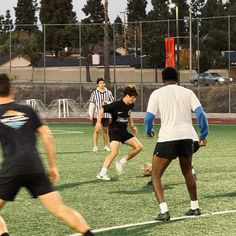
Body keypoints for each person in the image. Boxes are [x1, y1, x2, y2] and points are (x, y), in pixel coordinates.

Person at [0, 74, 94, 236]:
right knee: (60, 209)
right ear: (12, 91)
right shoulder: (28, 110)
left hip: (11, 168)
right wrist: (53, 166)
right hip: (35, 166)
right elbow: (48, 136)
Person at [144, 67, 208, 221]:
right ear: (177, 78)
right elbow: (201, 114)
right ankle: (195, 207)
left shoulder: (157, 94)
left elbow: (148, 118)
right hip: (187, 137)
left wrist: (149, 130)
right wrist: (203, 134)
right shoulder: (188, 92)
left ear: (162, 79)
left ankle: (164, 211)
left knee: (156, 175)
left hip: (168, 138)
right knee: (187, 171)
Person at [96, 86, 143, 181]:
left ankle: (121, 162)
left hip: (124, 131)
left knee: (139, 147)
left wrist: (132, 125)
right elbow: (102, 109)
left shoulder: (130, 105)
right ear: (127, 96)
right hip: (115, 131)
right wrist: (98, 122)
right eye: (133, 97)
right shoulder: (116, 104)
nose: (134, 100)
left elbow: (129, 114)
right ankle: (102, 173)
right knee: (114, 152)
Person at [88, 77, 114, 152]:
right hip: (97, 115)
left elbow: (112, 102)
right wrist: (90, 114)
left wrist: (108, 105)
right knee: (97, 130)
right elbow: (92, 104)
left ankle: (106, 146)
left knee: (105, 130)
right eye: (100, 83)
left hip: (106, 115)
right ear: (98, 85)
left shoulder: (108, 92)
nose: (102, 84)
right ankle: (95, 146)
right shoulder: (94, 93)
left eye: (103, 83)